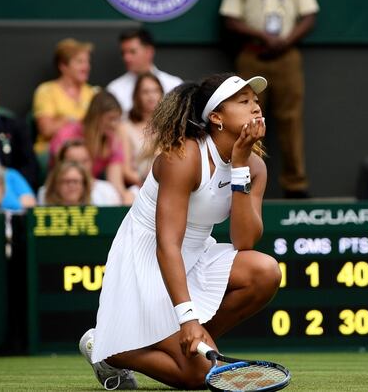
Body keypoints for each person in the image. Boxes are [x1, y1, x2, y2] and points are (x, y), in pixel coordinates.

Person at [77, 73, 280, 390]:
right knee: (199, 377)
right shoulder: (182, 157)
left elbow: (245, 241)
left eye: (255, 101)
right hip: (148, 260)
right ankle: (110, 349)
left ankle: (185, 342)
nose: (255, 108)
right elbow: (166, 244)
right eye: (243, 102)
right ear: (216, 118)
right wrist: (188, 318)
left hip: (196, 254)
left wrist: (240, 167)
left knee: (265, 271)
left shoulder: (255, 167)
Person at [220, 0, 319, 198]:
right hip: (253, 54)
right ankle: (247, 178)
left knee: (291, 119)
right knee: (247, 119)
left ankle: (295, 185)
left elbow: (309, 15)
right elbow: (230, 19)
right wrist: (261, 36)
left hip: (287, 55)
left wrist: (285, 40)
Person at [49, 92, 134, 205]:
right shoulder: (67, 134)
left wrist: (125, 196)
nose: (114, 124)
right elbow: (60, 173)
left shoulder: (112, 141)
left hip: (91, 190)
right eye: (111, 118)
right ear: (96, 117)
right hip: (64, 192)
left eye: (117, 119)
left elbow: (116, 182)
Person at [32, 38, 96, 153]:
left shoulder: (93, 93)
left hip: (86, 150)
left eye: (87, 62)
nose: (86, 67)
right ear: (63, 66)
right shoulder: (46, 91)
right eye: (80, 62)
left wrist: (65, 120)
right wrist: (78, 122)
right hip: (52, 150)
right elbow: (46, 130)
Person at [105, 29, 181, 116]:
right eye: (123, 53)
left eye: (132, 52)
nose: (126, 58)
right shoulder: (114, 89)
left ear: (149, 52)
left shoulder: (174, 85)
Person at [38, 140, 122, 206]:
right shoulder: (45, 193)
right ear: (60, 163)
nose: (79, 166)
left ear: (92, 162)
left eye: (84, 161)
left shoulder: (107, 190)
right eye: (73, 161)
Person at [120, 73, 164, 186]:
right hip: (139, 187)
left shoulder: (170, 126)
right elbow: (126, 170)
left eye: (155, 90)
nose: (151, 96)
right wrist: (147, 184)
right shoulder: (126, 127)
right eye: (146, 92)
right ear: (137, 96)